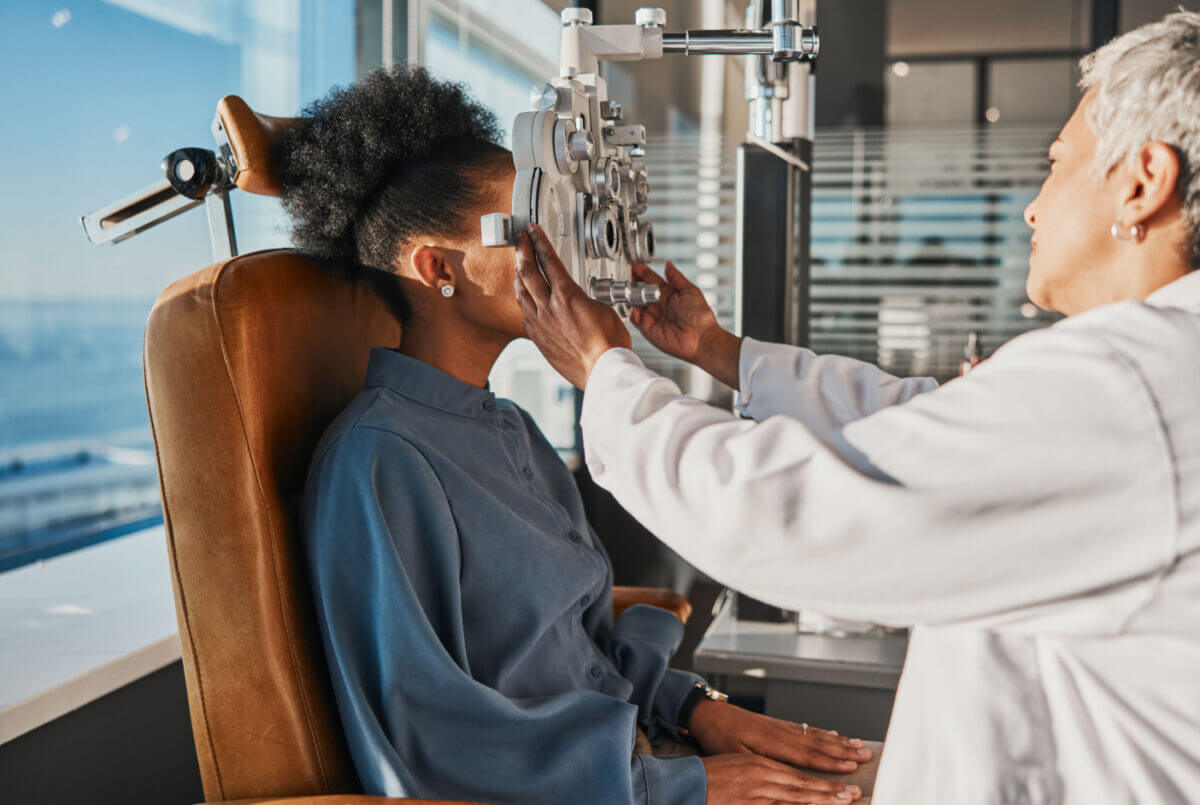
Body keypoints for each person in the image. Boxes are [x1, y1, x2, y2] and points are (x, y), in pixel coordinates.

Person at [515, 11, 1200, 804]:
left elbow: (790, 511)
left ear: (1143, 181)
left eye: (1056, 165)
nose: (1033, 208)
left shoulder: (1129, 388)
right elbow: (924, 419)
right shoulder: (1152, 370)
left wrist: (606, 372)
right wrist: (717, 349)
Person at [279, 66, 872, 805]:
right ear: (438, 268)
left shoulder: (511, 430)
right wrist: (674, 786)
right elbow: (433, 738)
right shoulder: (378, 460)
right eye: (532, 231)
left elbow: (583, 648)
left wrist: (695, 709)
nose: (561, 255)